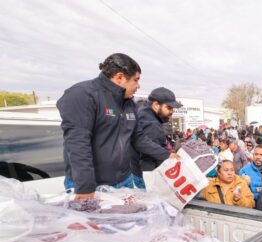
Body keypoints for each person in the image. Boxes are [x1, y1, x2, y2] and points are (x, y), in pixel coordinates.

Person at [57, 53, 176, 198]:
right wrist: (85, 189)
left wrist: (167, 155)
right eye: (136, 80)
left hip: (123, 181)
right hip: (91, 186)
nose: (138, 86)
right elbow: (78, 145)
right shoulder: (83, 95)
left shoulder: (128, 103)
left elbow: (138, 139)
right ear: (120, 77)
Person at [131, 87, 182, 188]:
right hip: (145, 175)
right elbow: (150, 153)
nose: (172, 112)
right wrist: (169, 156)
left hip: (135, 169)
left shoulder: (143, 111)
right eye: (169, 108)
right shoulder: (151, 123)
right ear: (156, 105)